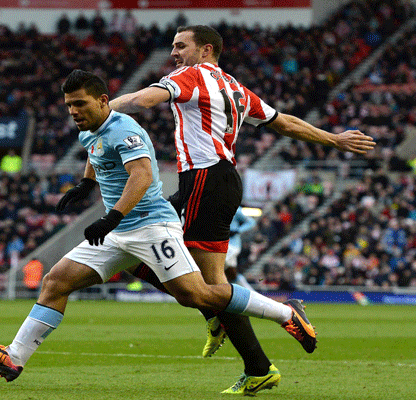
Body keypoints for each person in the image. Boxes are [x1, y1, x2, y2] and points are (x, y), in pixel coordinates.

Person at [0, 69, 317, 383]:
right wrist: (86, 184)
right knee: (55, 281)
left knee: (197, 294)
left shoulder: (124, 129)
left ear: (103, 101)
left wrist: (112, 216)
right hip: (118, 233)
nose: (73, 111)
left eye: (80, 104)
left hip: (151, 227)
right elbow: (94, 151)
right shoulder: (89, 129)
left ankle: (286, 313)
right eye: (69, 105)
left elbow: (142, 176)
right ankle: (14, 357)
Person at [108, 25, 376, 394]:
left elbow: (143, 100)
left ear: (206, 50)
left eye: (181, 45)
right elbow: (284, 122)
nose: (174, 53)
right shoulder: (235, 87)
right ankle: (241, 345)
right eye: (173, 46)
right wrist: (332, 138)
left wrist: (102, 109)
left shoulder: (191, 75)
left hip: (205, 180)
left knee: (190, 277)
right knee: (138, 249)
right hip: (213, 182)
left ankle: (261, 326)